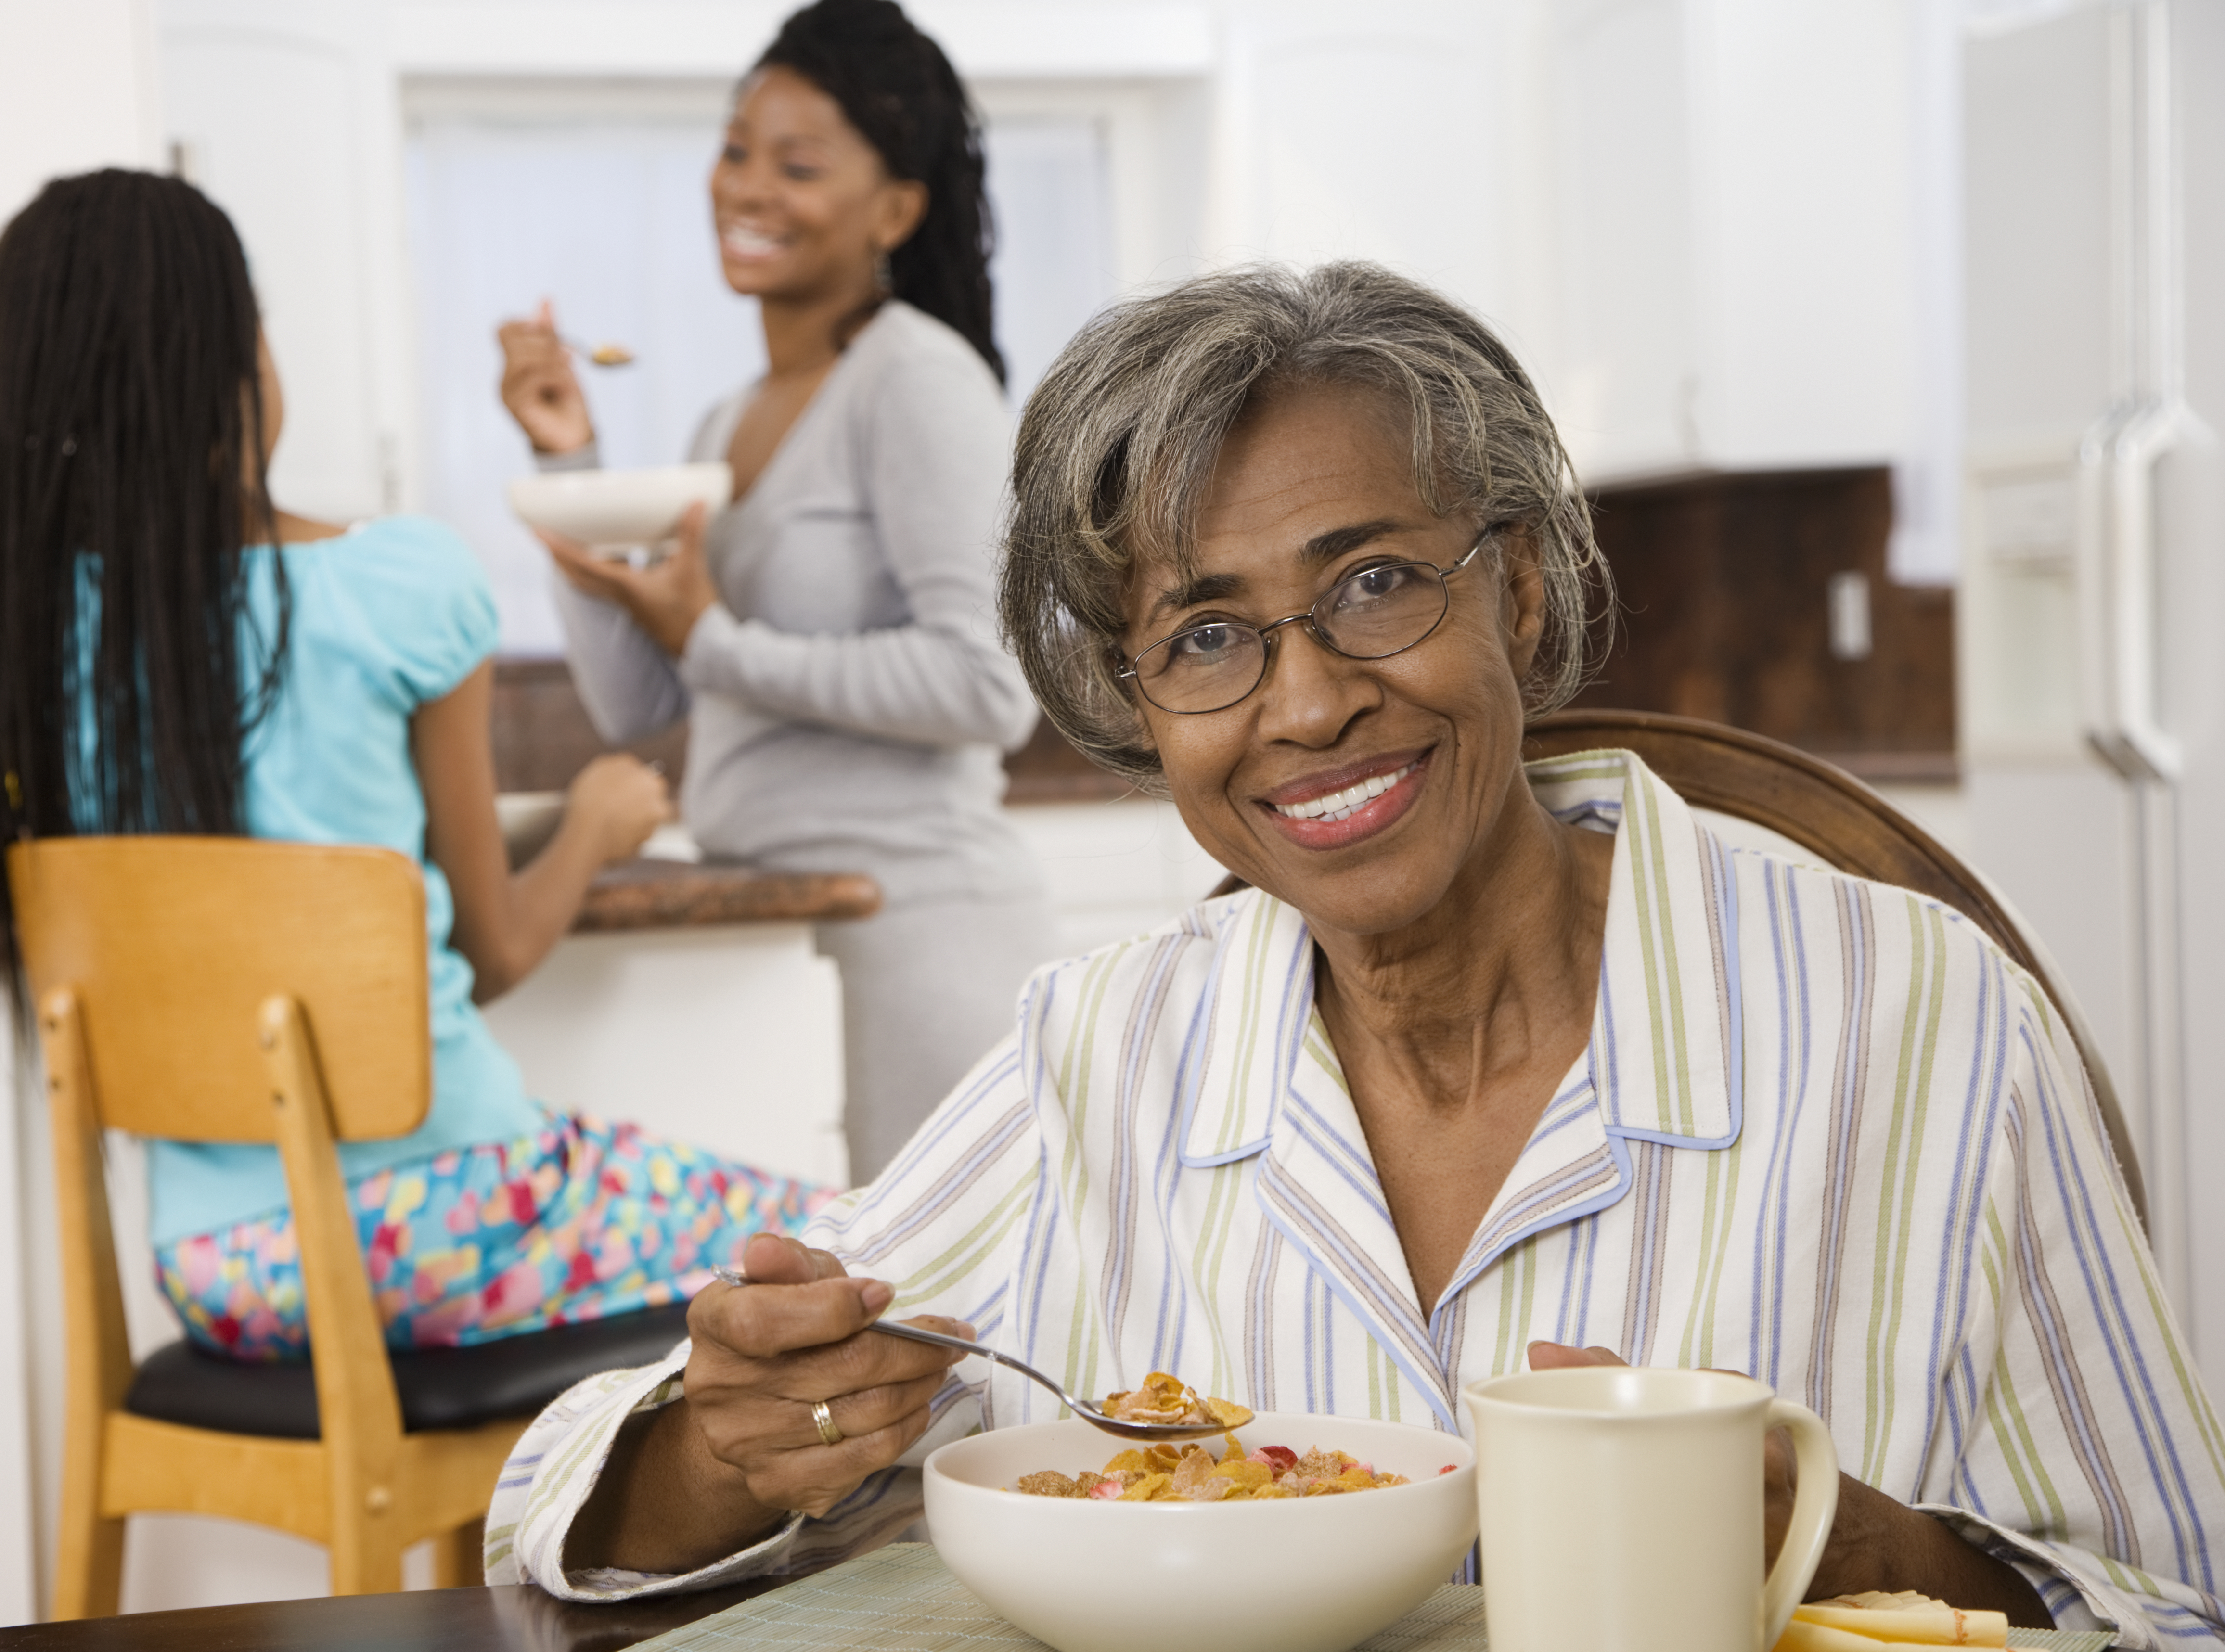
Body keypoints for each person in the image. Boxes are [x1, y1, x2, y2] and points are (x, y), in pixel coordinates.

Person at [484, 263, 2225, 1648]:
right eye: (1210, 635)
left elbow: (2173, 1597)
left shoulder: (1918, 1021)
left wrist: (1836, 1538)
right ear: (1136, 699)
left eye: (1380, 582)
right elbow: (562, 1498)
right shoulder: (1103, 1051)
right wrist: (739, 1436)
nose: (1307, 703)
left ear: (1521, 594)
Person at [0, 168, 830, 1361]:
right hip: (443, 1220)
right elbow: (486, 954)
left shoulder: (32, 630)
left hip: (216, 1266)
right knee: (846, 1249)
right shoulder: (400, 586)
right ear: (228, 367)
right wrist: (593, 821)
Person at [496, 0, 1058, 1183]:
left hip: (913, 933)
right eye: (737, 149)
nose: (748, 187)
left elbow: (987, 683)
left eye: (797, 165)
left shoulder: (916, 378)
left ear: (894, 210)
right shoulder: (724, 418)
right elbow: (641, 700)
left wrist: (719, 641)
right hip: (780, 928)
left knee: (934, 1348)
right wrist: (570, 465)